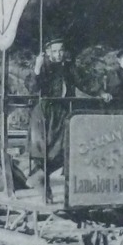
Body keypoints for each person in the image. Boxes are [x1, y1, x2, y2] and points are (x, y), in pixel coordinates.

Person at [27, 39, 77, 190]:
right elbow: (32, 88)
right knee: (43, 147)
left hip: (62, 111)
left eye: (60, 51)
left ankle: (42, 176)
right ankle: (40, 179)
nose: (58, 54)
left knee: (64, 147)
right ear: (47, 53)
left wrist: (101, 92)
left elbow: (83, 81)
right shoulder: (42, 66)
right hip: (44, 112)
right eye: (54, 51)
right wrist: (37, 67)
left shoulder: (68, 68)